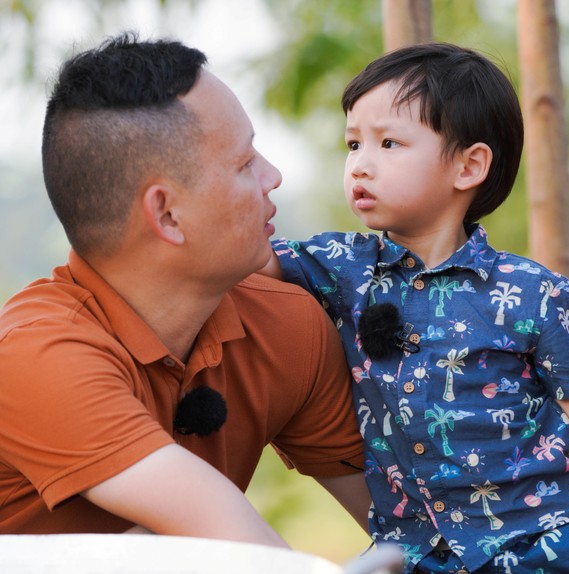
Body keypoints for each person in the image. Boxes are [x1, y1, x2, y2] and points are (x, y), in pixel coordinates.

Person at [262, 42, 569, 572]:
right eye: (353, 144)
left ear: (469, 166)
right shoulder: (339, 266)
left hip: (547, 542)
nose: (360, 166)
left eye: (388, 143)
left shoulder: (535, 292)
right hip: (420, 552)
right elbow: (242, 260)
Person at [0, 33, 372, 546]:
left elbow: (416, 531)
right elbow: (242, 552)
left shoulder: (288, 329)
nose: (273, 176)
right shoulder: (33, 357)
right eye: (244, 164)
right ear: (167, 214)